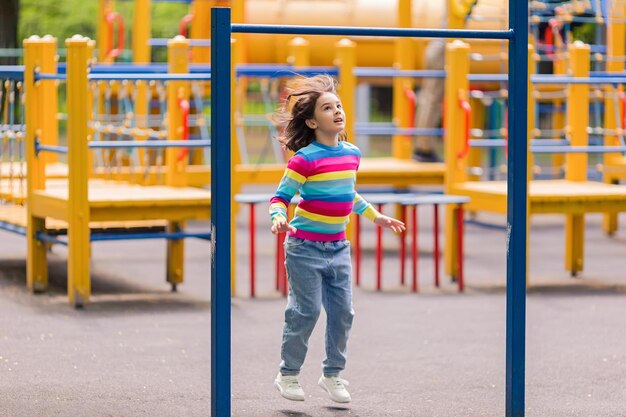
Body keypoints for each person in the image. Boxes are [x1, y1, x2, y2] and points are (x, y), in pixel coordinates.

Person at [269, 75, 405, 403]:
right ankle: (288, 373)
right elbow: (280, 197)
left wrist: (376, 216)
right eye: (327, 108)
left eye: (339, 106)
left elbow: (348, 195)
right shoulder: (304, 159)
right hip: (305, 248)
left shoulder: (352, 154)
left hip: (338, 247)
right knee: (306, 311)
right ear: (313, 121)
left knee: (344, 312)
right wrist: (278, 217)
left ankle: (332, 374)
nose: (337, 111)